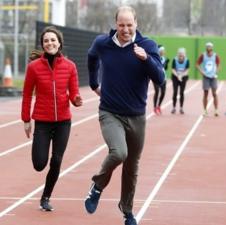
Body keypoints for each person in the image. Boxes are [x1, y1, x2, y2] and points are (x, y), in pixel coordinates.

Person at [84, 6, 165, 225]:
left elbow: (160, 79)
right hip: (110, 112)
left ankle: (127, 211)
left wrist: (146, 59)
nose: (126, 29)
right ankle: (97, 186)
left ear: (136, 24)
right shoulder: (103, 43)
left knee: (131, 167)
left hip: (137, 116)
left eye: (129, 25)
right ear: (115, 24)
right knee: (119, 153)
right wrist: (93, 83)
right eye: (121, 25)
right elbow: (91, 57)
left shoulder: (147, 45)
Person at [21, 26, 82, 211]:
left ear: (59, 43)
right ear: (43, 44)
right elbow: (26, 94)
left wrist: (76, 100)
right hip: (42, 121)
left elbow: (74, 93)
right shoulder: (33, 68)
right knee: (40, 164)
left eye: (53, 40)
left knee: (56, 160)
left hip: (63, 121)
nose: (50, 43)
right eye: (46, 40)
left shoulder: (70, 66)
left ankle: (45, 197)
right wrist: (26, 120)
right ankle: (42, 172)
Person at [196, 42, 220, 116]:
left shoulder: (216, 56)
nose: (209, 48)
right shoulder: (203, 55)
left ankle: (216, 110)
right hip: (206, 76)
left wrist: (216, 72)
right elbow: (197, 64)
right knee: (206, 93)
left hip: (213, 77)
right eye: (208, 47)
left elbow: (219, 65)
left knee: (214, 93)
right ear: (206, 48)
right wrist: (202, 72)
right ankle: (205, 110)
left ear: (212, 48)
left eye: (210, 47)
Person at [171, 47, 189, 114]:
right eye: (180, 55)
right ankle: (174, 107)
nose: (181, 56)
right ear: (178, 54)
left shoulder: (187, 60)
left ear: (184, 55)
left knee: (182, 92)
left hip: (183, 77)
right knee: (175, 92)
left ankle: (181, 108)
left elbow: (187, 70)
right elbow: (173, 69)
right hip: (175, 77)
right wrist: (178, 76)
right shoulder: (174, 60)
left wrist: (181, 75)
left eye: (182, 55)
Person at [153, 45, 169, 115]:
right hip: (156, 76)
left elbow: (165, 69)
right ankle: (154, 107)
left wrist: (167, 63)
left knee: (163, 92)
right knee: (157, 91)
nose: (163, 52)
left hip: (163, 77)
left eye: (164, 50)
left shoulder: (164, 59)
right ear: (159, 51)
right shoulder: (155, 58)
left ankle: (159, 106)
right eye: (162, 50)